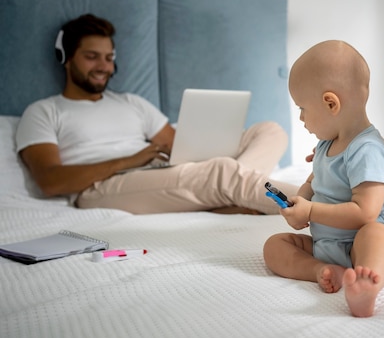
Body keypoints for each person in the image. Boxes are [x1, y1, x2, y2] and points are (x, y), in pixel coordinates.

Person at [15, 13, 297, 215]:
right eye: (92, 57)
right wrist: (131, 159)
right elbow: (50, 181)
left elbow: (180, 145)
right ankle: (319, 206)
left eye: (109, 58)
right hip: (100, 188)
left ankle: (237, 197)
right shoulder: (44, 111)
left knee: (269, 131)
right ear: (65, 58)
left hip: (157, 174)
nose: (104, 66)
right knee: (221, 171)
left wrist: (201, 147)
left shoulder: (131, 102)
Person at [263, 40, 384, 318]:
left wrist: (312, 210)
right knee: (274, 246)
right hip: (325, 246)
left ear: (330, 103)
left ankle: (368, 284)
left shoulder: (367, 150)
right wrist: (299, 204)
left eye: (303, 109)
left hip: (364, 243)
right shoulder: (325, 145)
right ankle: (324, 271)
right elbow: (313, 182)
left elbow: (366, 213)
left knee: (377, 235)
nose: (301, 118)